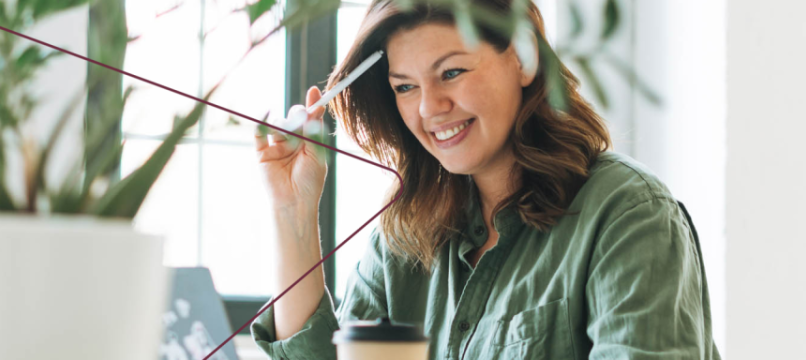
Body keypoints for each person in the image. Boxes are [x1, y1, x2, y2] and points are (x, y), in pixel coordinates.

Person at [250, 0, 721, 359]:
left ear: (522, 57)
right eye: (405, 87)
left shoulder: (628, 214)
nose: (429, 108)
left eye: (451, 72)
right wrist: (291, 209)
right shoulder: (401, 239)